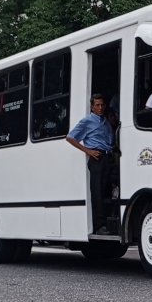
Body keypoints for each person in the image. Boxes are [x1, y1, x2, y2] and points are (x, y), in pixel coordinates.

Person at [66, 93, 117, 235]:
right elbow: (70, 137)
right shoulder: (87, 121)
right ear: (92, 107)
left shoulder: (106, 121)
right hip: (97, 159)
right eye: (97, 105)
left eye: (102, 105)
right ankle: (100, 226)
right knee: (98, 193)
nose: (100, 108)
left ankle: (112, 220)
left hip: (109, 158)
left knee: (113, 187)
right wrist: (88, 151)